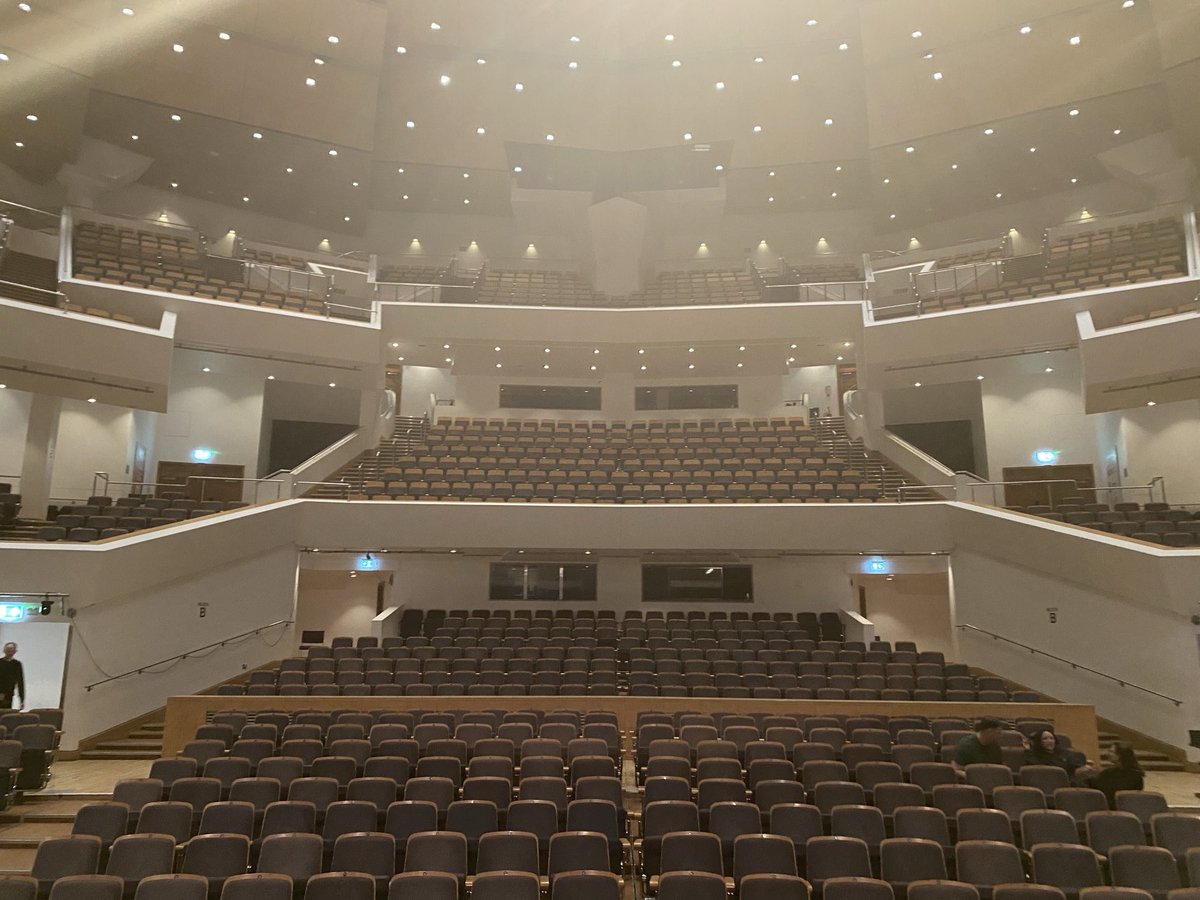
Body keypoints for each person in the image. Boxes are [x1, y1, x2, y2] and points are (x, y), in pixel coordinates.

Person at [1025, 727, 1096, 784]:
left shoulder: (1063, 752)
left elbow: (1076, 759)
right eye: (1045, 739)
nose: (1049, 741)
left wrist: (1079, 768)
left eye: (1051, 738)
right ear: (1039, 742)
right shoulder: (1036, 756)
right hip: (1052, 782)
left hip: (1071, 780)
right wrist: (1028, 750)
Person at [1091, 743, 1144, 809]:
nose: (1108, 753)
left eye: (1111, 752)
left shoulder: (1109, 774)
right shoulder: (1138, 775)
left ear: (1120, 756)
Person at [0, 643, 24, 710]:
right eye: (7, 650)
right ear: (4, 650)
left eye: (11, 650)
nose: (9, 652)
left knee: (6, 715)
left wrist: (22, 699)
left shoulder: (17, 664)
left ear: (15, 651)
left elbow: (20, 682)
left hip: (9, 694)